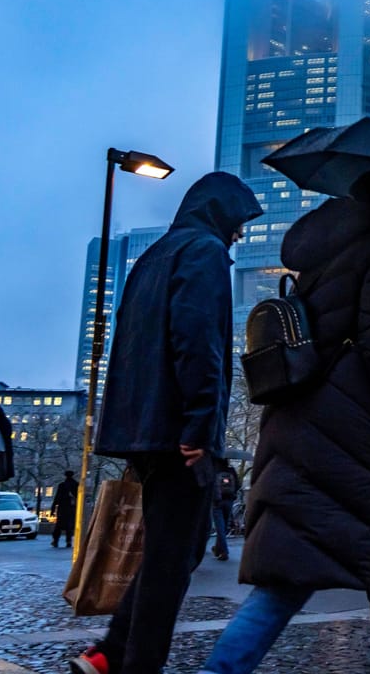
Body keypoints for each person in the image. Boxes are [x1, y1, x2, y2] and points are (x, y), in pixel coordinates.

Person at [199, 172, 370, 674]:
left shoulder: (319, 258)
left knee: (286, 581)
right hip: (362, 441)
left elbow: (339, 329)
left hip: (300, 429)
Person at [70, 171, 262, 674]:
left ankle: (110, 653)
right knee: (173, 559)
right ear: (222, 212)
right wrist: (200, 428)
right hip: (179, 433)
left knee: (169, 552)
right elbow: (199, 343)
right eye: (239, 222)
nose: (240, 234)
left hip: (145, 429)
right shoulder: (203, 252)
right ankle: (135, 663)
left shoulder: (156, 256)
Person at [210, 460, 238, 561]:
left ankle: (224, 551)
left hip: (217, 501)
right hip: (229, 501)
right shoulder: (231, 471)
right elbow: (237, 485)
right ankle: (218, 549)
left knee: (220, 528)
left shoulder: (215, 471)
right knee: (224, 527)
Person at [49, 470, 77, 548]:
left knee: (58, 526)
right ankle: (68, 541)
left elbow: (57, 497)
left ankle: (55, 541)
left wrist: (53, 509)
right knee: (69, 525)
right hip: (72, 508)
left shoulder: (62, 485)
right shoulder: (76, 485)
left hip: (62, 508)